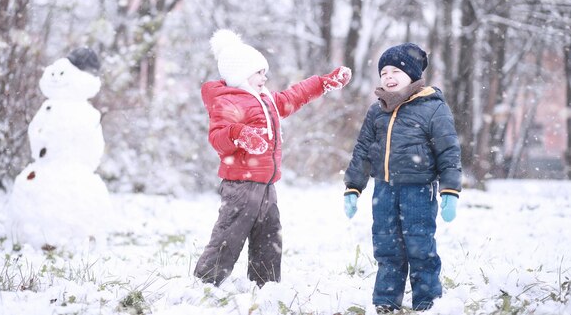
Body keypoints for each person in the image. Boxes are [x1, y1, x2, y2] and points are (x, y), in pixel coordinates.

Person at [194, 29, 352, 287]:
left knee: (269, 236)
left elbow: (293, 97)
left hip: (267, 184)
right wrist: (239, 133)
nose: (264, 77)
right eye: (258, 72)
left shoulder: (265, 99)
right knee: (229, 234)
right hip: (240, 186)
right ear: (240, 74)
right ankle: (206, 283)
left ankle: (265, 285)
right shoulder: (228, 102)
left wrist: (323, 83)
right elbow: (218, 139)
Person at [343, 42, 462, 313]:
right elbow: (363, 150)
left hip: (419, 191)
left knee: (420, 247)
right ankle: (386, 301)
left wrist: (450, 191)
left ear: (413, 74)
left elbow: (448, 150)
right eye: (383, 72)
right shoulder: (377, 110)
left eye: (396, 70)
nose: (388, 77)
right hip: (384, 190)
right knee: (387, 247)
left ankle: (427, 302)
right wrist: (353, 187)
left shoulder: (432, 107)